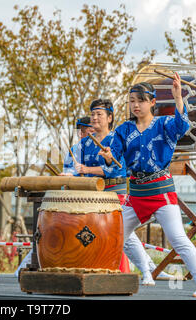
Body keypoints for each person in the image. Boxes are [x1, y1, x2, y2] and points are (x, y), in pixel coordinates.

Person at [99, 73, 196, 297]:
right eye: (131, 101)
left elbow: (182, 126)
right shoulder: (123, 130)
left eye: (140, 100)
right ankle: (148, 268)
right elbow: (115, 163)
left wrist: (178, 97)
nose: (135, 105)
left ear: (152, 102)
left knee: (178, 238)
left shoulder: (164, 124)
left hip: (161, 191)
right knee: (115, 233)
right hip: (136, 193)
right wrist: (109, 157)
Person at [74, 98, 173, 284]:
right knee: (116, 235)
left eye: (99, 114)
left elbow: (117, 169)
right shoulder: (86, 144)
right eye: (93, 114)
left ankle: (147, 271)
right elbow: (78, 170)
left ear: (110, 118)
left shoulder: (117, 137)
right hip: (95, 196)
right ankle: (148, 269)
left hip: (116, 193)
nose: (95, 118)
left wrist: (88, 170)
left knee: (119, 233)